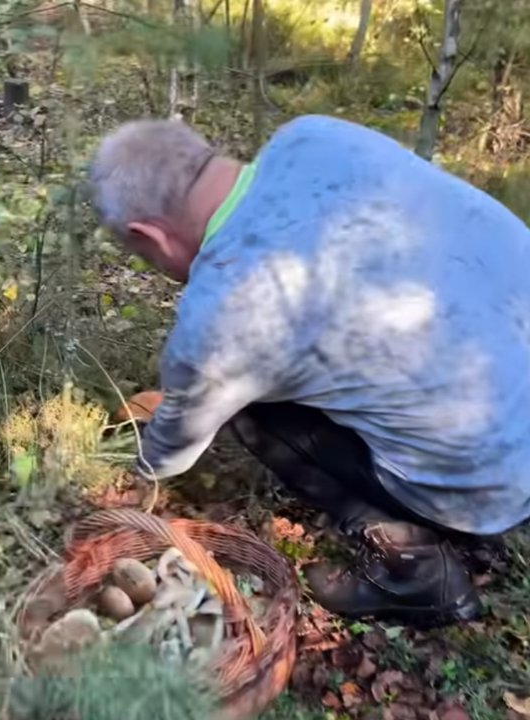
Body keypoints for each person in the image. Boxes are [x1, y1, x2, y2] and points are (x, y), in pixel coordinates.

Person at [88, 114, 530, 628]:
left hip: (499, 486)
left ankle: (416, 573)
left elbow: (170, 454)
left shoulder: (224, 313)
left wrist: (126, 468)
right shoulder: (315, 134)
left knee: (250, 406)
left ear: (151, 236)